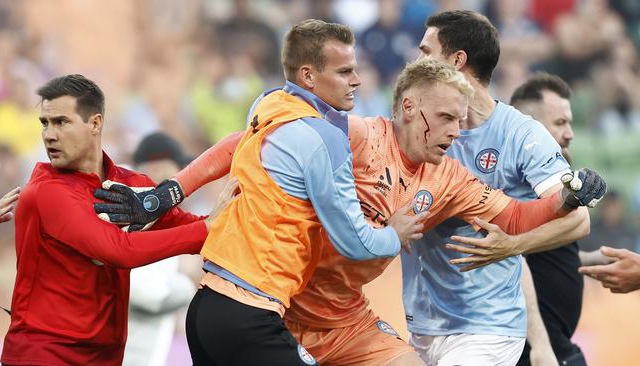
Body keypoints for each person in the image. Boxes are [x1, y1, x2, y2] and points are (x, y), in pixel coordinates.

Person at [98, 57, 605, 366]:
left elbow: (516, 218)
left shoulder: (450, 178)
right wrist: (168, 193)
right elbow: (248, 139)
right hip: (281, 309)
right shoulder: (356, 136)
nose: (457, 131)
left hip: (347, 319)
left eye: (462, 119)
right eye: (447, 117)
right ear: (409, 108)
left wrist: (569, 195)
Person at [401, 10, 599, 366]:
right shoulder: (418, 127)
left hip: (488, 327)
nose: (417, 61)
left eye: (426, 51)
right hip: (423, 323)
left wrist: (513, 246)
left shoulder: (521, 134)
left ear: (456, 60)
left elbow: (578, 221)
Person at [0, 74, 235, 366]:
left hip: (106, 357)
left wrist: (226, 218)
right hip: (44, 355)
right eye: (45, 123)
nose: (49, 134)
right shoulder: (46, 192)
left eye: (61, 122)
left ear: (95, 124)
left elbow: (190, 226)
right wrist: (206, 229)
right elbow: (120, 250)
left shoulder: (130, 183)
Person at [509, 72, 588, 366]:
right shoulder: (513, 184)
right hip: (535, 352)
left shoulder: (549, 182)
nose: (570, 133)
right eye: (559, 123)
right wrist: (540, 346)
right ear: (528, 127)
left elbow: (546, 252)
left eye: (569, 122)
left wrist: (590, 261)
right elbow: (512, 258)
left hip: (559, 348)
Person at [122, 132, 197, 366]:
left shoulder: (158, 217)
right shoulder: (133, 215)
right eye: (178, 173)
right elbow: (149, 294)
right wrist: (187, 282)